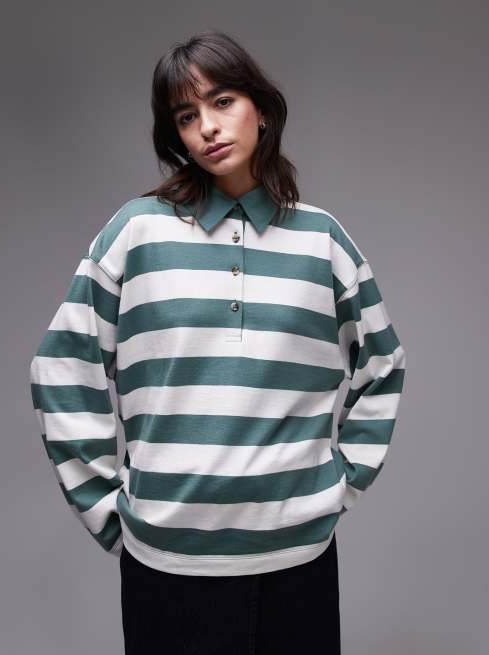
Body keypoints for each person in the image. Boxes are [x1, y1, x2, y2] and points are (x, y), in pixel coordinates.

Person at [29, 29, 406, 654]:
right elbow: (62, 366)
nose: (207, 126)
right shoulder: (135, 233)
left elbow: (383, 364)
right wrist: (104, 507)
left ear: (262, 109)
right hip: (167, 570)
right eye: (186, 115)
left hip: (301, 565)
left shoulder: (323, 240)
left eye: (223, 101)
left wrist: (341, 485)